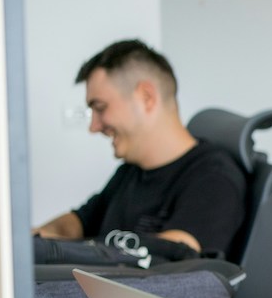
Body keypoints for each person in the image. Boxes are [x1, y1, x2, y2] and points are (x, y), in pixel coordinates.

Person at [33, 39, 245, 261]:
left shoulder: (213, 178)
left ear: (146, 97)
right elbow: (78, 223)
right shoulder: (130, 172)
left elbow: (176, 257)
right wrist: (29, 243)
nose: (93, 127)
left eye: (100, 108)